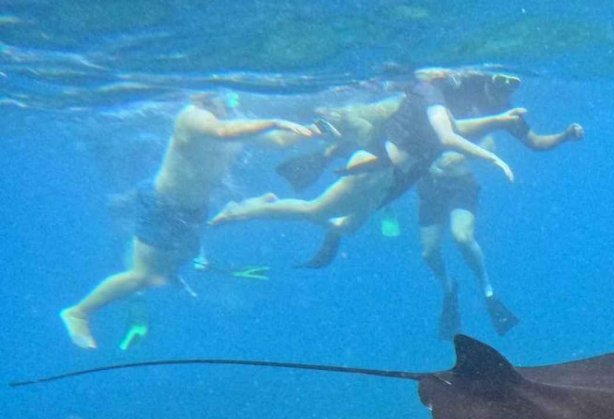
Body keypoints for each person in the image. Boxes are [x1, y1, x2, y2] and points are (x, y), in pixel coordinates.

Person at [59, 94, 316, 349]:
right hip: (164, 203)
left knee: (189, 252)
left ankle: (166, 271)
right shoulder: (192, 116)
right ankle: (78, 312)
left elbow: (280, 140)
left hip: (193, 208)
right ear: (205, 97)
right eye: (226, 98)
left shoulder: (238, 122)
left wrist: (316, 129)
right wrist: (273, 121)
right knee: (142, 275)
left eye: (234, 99)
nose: (231, 104)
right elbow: (222, 132)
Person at [209, 69, 522, 269]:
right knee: (315, 210)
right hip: (371, 169)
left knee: (347, 227)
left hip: (388, 180)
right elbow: (447, 134)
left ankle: (268, 206)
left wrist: (499, 120)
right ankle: (246, 209)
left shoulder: (438, 106)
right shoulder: (424, 99)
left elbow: (456, 127)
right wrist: (492, 157)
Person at [422, 109, 585, 338]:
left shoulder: (491, 115)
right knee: (429, 253)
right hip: (429, 189)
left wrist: (565, 135)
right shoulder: (430, 110)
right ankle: (448, 287)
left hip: (461, 186)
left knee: (462, 237)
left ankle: (488, 291)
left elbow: (529, 142)